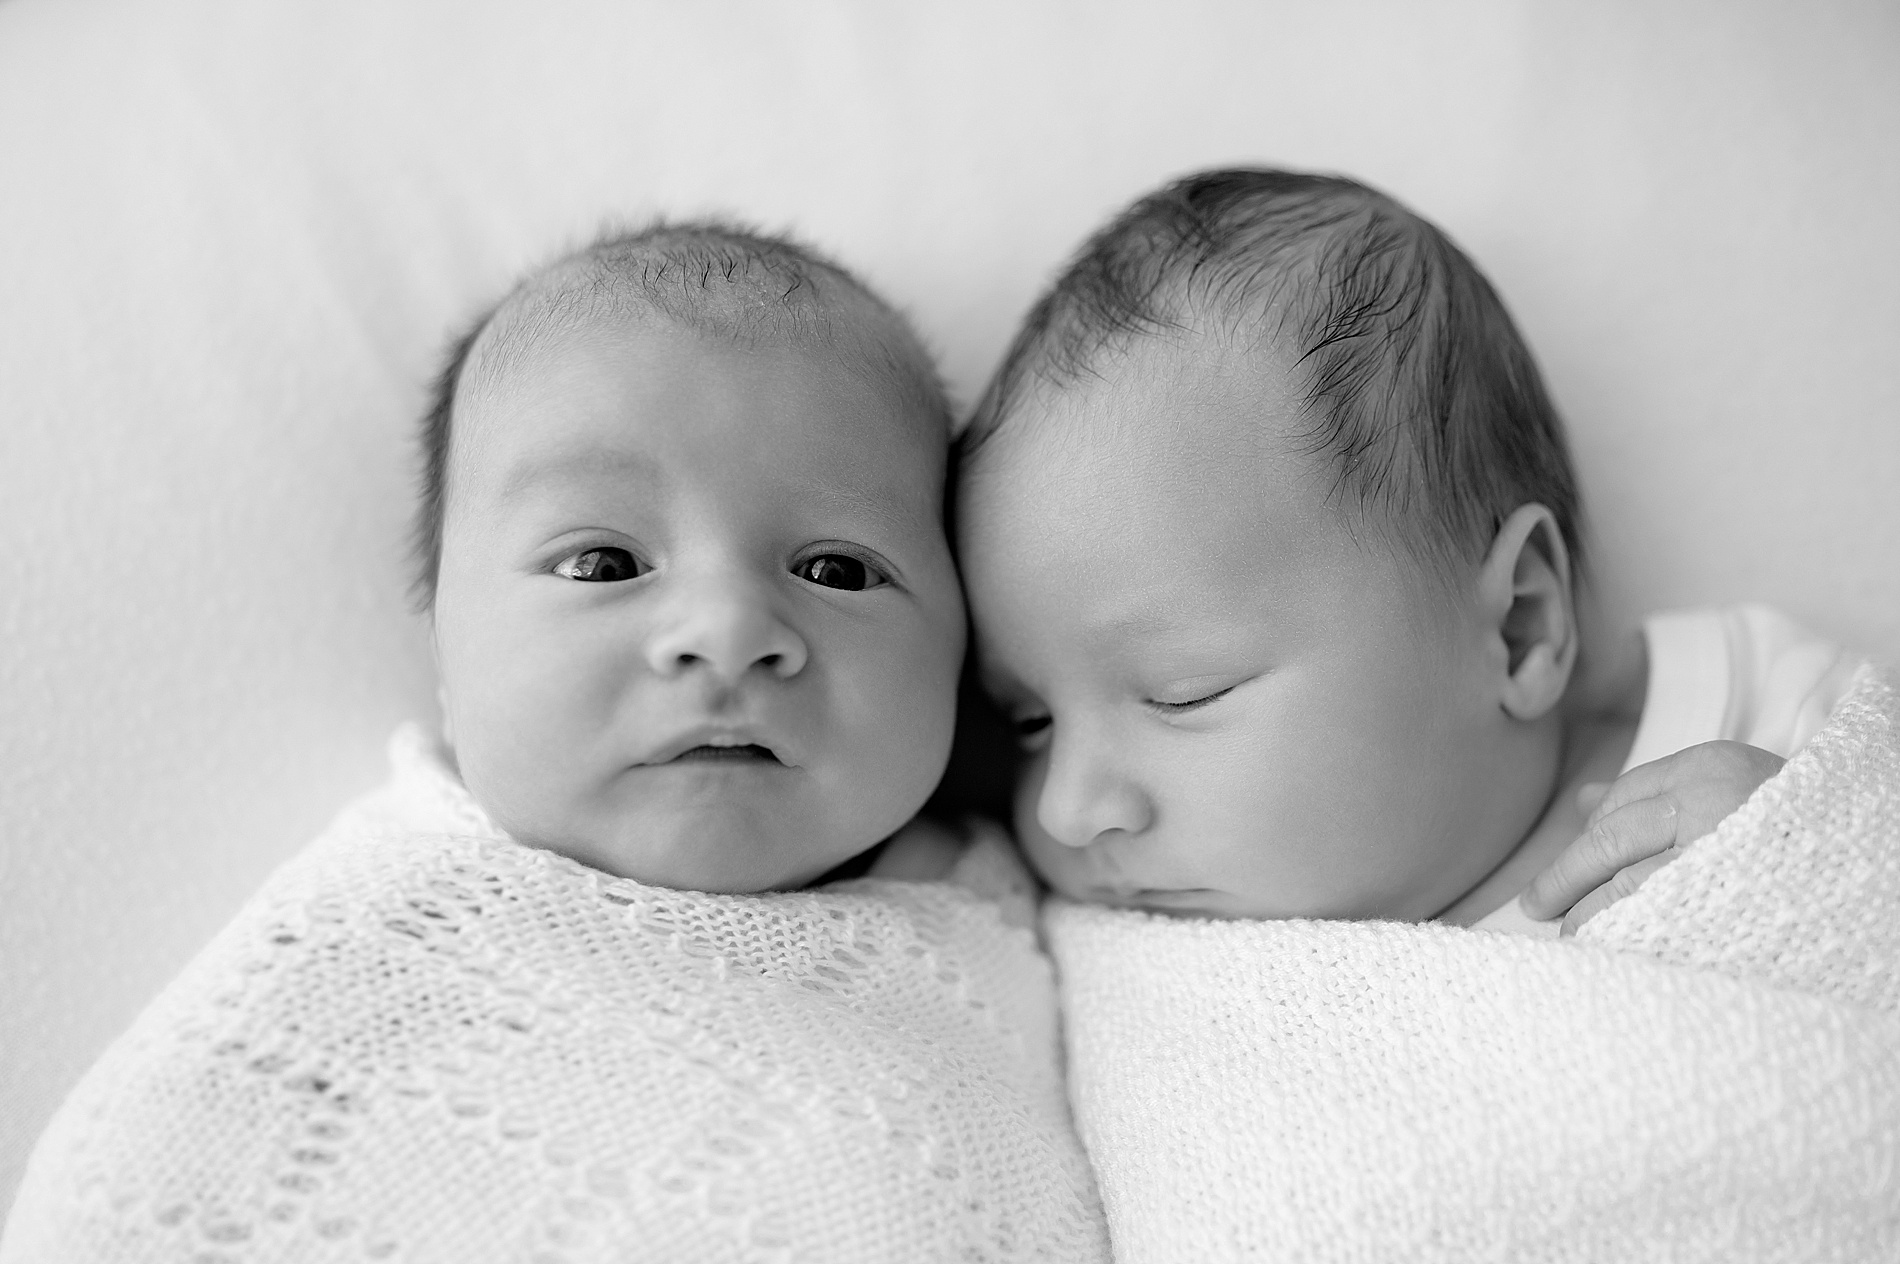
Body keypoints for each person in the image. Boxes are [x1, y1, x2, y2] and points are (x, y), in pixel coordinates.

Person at [0, 223, 1108, 1263]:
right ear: (446, 647)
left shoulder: (1050, 890)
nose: (728, 631)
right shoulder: (383, 940)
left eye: (837, 569)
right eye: (603, 565)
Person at [955, 167, 1866, 936]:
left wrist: (1800, 861)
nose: (1067, 811)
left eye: (1183, 692)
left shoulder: (1759, 717)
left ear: (1517, 627)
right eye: (1028, 723)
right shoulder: (1110, 940)